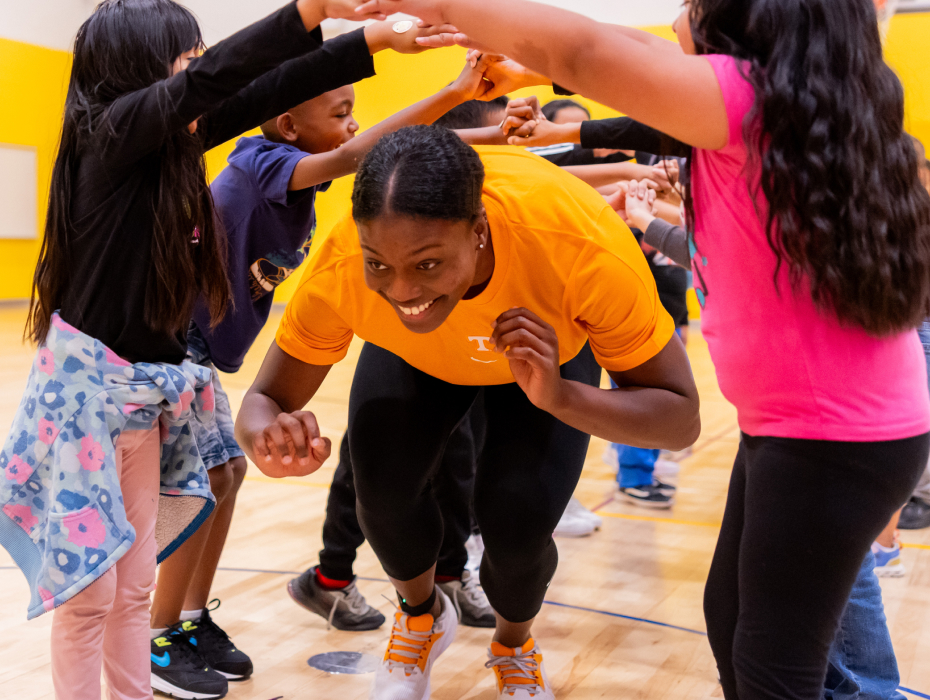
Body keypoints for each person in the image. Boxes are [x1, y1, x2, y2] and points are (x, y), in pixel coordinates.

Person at [378, 1, 930, 696]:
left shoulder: (745, 98)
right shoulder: (798, 99)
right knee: (735, 622)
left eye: (690, 5)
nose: (674, 17)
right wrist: (531, 76)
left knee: (774, 669)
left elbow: (588, 51)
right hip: (812, 429)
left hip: (829, 438)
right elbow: (619, 61)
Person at [0, 1, 399, 698]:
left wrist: (373, 41)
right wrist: (313, 9)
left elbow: (264, 92)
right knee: (90, 600)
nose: (200, 68)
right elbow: (212, 83)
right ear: (139, 69)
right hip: (84, 409)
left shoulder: (171, 144)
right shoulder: (110, 133)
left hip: (147, 399)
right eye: (187, 56)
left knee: (132, 590)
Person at [235, 125, 700, 700]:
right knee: (379, 487)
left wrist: (558, 395)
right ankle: (422, 619)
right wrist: (267, 437)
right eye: (380, 264)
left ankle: (513, 646)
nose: (402, 288)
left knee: (516, 529)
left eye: (427, 264)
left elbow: (680, 419)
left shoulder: (580, 247)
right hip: (418, 355)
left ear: (478, 231)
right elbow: (264, 400)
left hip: (547, 362)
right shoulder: (346, 265)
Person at [145, 23, 487, 698]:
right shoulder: (261, 163)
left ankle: (188, 620)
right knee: (199, 487)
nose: (352, 122)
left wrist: (494, 136)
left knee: (227, 475)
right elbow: (367, 152)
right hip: (172, 348)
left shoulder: (286, 170)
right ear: (288, 124)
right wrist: (454, 92)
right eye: (339, 113)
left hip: (202, 353)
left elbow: (390, 153)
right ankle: (157, 639)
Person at [287, 99, 513, 633]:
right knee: (369, 467)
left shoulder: (478, 209)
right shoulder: (380, 203)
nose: (353, 124)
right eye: (495, 136)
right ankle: (332, 574)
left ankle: (451, 574)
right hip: (398, 336)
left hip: (459, 335)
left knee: (457, 456)